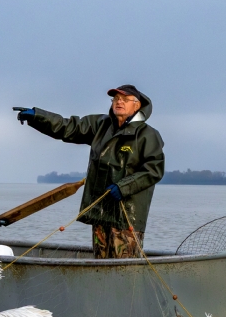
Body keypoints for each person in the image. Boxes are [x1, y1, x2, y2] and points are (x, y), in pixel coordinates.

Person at [16, 85, 165, 259]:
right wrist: (37, 117)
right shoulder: (101, 125)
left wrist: (123, 187)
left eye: (125, 100)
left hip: (127, 218)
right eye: (116, 99)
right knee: (100, 268)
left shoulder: (148, 135)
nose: (119, 102)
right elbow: (68, 127)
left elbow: (154, 170)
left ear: (137, 105)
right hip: (100, 213)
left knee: (124, 271)